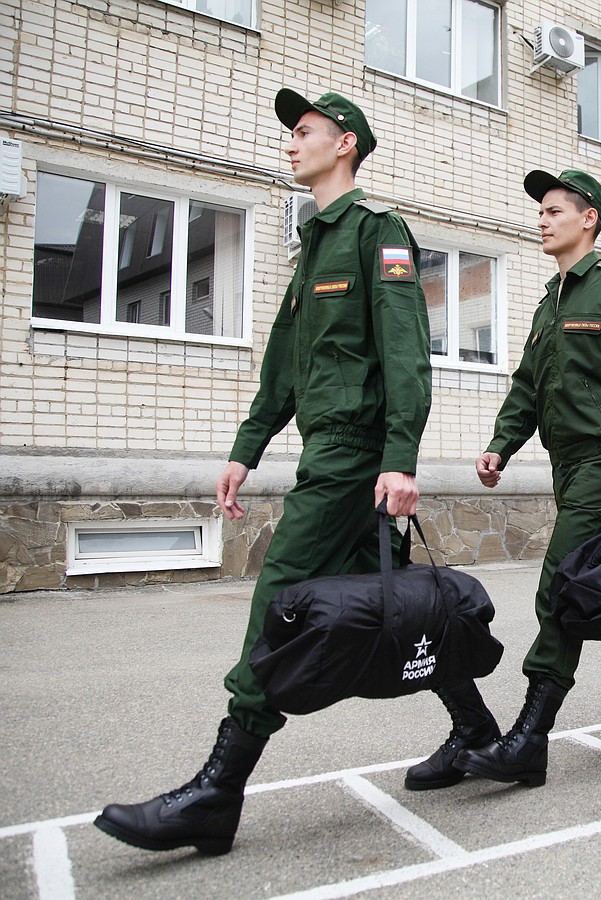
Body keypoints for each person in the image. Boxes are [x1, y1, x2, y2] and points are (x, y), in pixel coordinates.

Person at [93, 88, 470, 856]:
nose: (290, 144)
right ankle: (478, 729)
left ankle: (216, 792)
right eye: (290, 134)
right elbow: (282, 369)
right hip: (325, 446)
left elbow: (406, 355)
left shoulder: (376, 232)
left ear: (346, 146)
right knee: (401, 603)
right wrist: (246, 447)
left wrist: (400, 458)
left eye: (304, 132)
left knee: (278, 600)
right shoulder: (314, 246)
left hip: (352, 457)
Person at [453, 169, 601, 787]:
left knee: (559, 583)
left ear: (589, 219)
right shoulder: (548, 302)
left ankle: (530, 737)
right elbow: (528, 387)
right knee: (598, 588)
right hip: (566, 463)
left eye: (555, 210)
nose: (542, 218)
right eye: (541, 211)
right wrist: (500, 447)